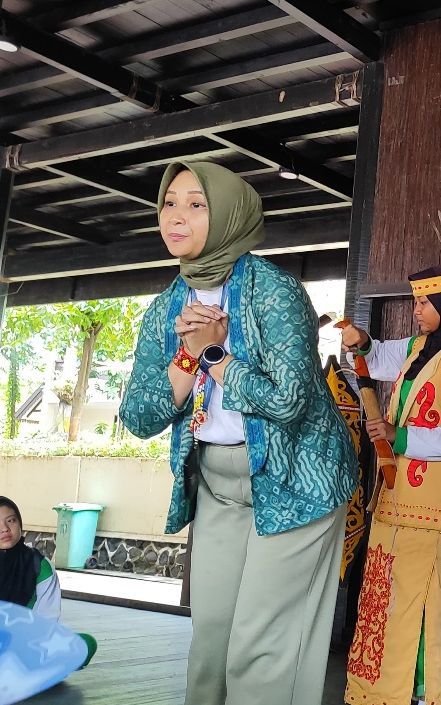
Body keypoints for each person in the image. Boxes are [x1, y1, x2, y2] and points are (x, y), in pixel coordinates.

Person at [119, 161, 358, 705]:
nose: (176, 216)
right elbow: (138, 416)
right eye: (170, 202)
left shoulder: (274, 291)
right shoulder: (165, 308)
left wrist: (217, 354)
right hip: (220, 483)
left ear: (228, 215)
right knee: (212, 637)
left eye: (196, 205)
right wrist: (187, 355)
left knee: (260, 643)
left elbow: (289, 399)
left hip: (298, 479)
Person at [342, 264, 441, 705]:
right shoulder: (420, 348)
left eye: (425, 302)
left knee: (422, 604)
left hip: (429, 507)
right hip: (394, 498)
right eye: (416, 300)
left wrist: (399, 436)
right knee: (386, 600)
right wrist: (363, 344)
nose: (416, 310)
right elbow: (382, 357)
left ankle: (421, 694)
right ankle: (378, 694)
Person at [0, 496, 97, 666]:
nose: (5, 529)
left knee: (83, 644)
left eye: (11, 520)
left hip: (23, 644)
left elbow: (46, 621)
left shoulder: (38, 565)